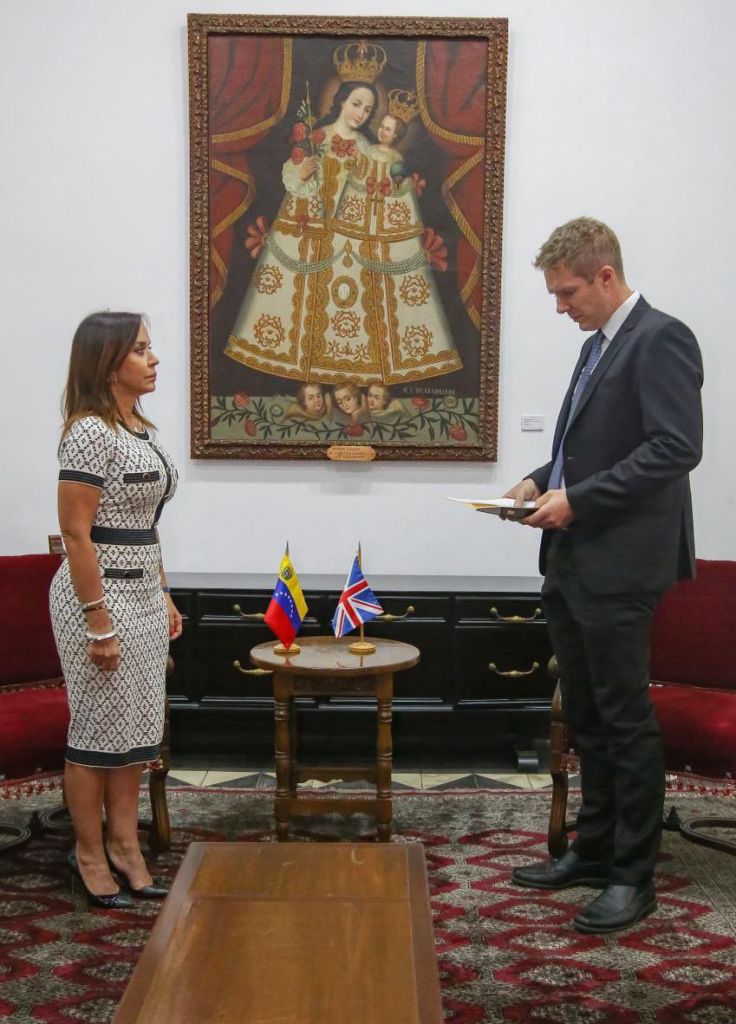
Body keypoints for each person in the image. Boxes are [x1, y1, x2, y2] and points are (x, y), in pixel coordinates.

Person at [503, 218, 703, 935]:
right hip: (573, 560)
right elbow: (587, 447)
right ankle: (591, 852)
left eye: (567, 293)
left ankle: (631, 877)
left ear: (605, 276)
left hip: (621, 563)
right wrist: (538, 480)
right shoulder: (597, 345)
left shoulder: (661, 338)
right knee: (586, 718)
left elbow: (676, 448)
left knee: (624, 719)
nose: (561, 307)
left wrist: (579, 500)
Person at [225, 52, 463, 387]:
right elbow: (295, 178)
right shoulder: (317, 138)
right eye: (356, 104)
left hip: (351, 237)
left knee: (352, 307)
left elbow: (377, 185)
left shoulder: (367, 146)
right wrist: (302, 172)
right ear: (340, 100)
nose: (361, 114)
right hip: (311, 227)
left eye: (367, 109)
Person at [49, 312, 181, 909]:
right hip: (97, 599)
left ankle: (126, 847)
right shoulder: (88, 432)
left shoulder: (141, 429)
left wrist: (164, 591)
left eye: (150, 349)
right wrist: (98, 620)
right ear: (107, 362)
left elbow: (146, 526)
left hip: (144, 595)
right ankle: (89, 854)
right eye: (140, 350)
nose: (153, 360)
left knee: (136, 731)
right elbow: (77, 535)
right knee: (97, 730)